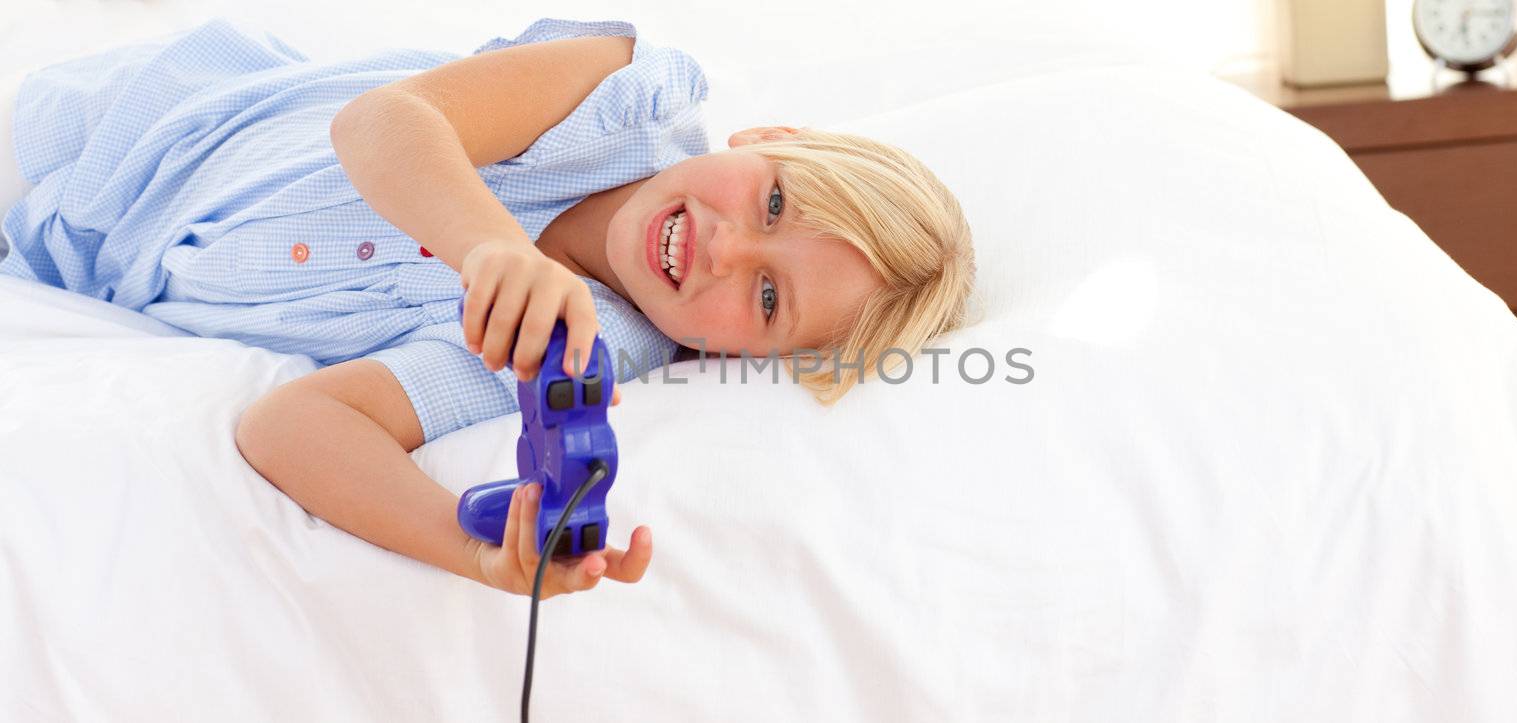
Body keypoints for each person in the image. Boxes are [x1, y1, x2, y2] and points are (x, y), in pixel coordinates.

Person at [0, 17, 974, 599]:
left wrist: (471, 547)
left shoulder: (584, 350)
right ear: (768, 137)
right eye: (771, 201)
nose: (727, 247)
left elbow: (291, 423)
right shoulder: (616, 93)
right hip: (133, 128)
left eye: (767, 296)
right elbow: (381, 121)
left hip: (96, 272)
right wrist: (493, 250)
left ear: (737, 358)